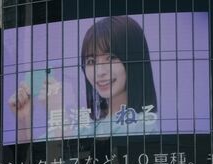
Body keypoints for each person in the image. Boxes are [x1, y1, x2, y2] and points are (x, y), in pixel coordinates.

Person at [9, 15, 158, 143]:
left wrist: (58, 114)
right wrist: (24, 119)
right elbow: (33, 163)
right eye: (91, 62)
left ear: (134, 60)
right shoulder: (87, 126)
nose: (100, 72)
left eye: (111, 58)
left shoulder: (144, 123)